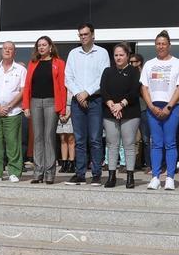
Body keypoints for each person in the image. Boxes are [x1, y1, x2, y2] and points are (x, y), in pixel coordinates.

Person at [140, 31, 179, 191]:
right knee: (156, 144)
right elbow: (144, 87)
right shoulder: (149, 64)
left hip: (171, 108)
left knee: (170, 143)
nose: (161, 46)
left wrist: (168, 107)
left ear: (169, 45)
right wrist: (151, 106)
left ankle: (170, 178)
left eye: (163, 43)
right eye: (158, 43)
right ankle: (155, 177)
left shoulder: (178, 63)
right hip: (152, 108)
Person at [64, 23, 110, 185]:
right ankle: (80, 173)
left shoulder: (102, 53)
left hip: (95, 100)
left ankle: (96, 173)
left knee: (96, 139)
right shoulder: (73, 54)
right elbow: (68, 77)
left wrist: (87, 93)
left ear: (92, 35)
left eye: (85, 34)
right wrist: (78, 94)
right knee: (80, 139)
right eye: (80, 35)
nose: (83, 37)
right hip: (78, 101)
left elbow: (103, 78)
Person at [24, 36, 66, 185]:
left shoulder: (59, 63)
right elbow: (27, 86)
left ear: (50, 47)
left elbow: (62, 87)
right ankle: (38, 172)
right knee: (38, 138)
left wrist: (62, 109)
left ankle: (49, 173)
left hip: (51, 102)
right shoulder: (33, 63)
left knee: (48, 137)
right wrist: (26, 106)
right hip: (35, 102)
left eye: (44, 45)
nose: (41, 48)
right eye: (39, 45)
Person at [0, 41, 26, 183]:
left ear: (14, 52)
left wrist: (9, 106)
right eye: (5, 49)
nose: (7, 51)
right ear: (1, 51)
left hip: (13, 112)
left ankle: (14, 172)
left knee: (13, 142)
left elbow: (23, 91)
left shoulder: (20, 70)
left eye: (10, 49)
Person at [100, 43, 141, 189]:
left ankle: (130, 176)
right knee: (112, 144)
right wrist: (111, 104)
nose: (118, 57)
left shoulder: (134, 71)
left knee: (129, 144)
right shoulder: (107, 71)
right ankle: (111, 176)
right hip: (110, 112)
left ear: (127, 56)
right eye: (116, 55)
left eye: (121, 55)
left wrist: (121, 104)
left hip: (130, 112)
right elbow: (103, 89)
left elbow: (135, 90)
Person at [128, 52, 149, 171]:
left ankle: (149, 164)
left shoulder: (144, 74)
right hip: (133, 110)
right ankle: (135, 163)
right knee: (134, 139)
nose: (131, 64)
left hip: (144, 109)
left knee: (146, 139)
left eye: (134, 62)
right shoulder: (130, 74)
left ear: (139, 62)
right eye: (130, 62)